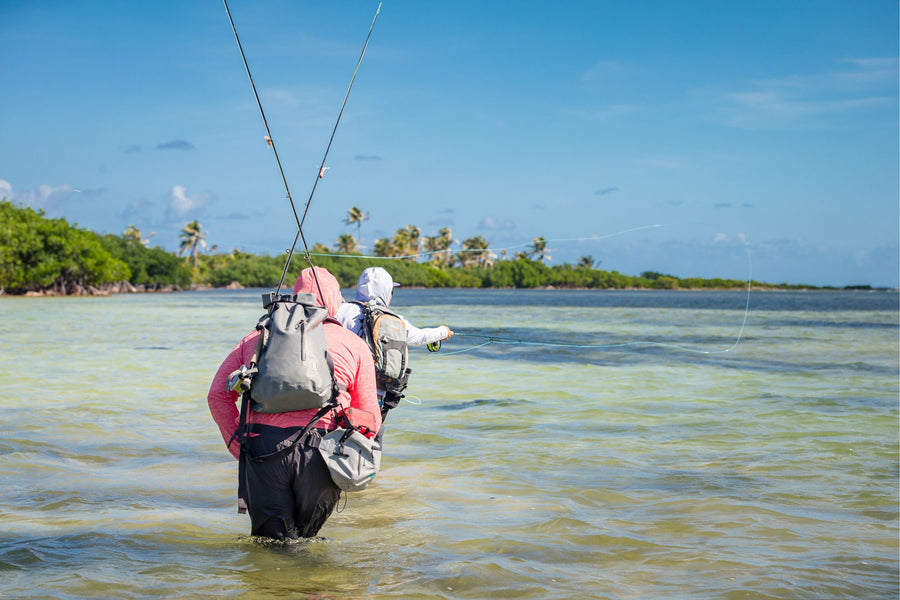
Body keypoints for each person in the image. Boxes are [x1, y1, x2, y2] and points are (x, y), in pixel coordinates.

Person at [208, 266, 380, 540]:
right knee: (305, 544)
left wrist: (237, 445)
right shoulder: (353, 344)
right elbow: (370, 415)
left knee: (271, 545)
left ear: (294, 295)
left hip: (263, 451)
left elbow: (218, 395)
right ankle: (305, 584)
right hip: (323, 455)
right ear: (336, 300)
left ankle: (272, 583)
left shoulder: (256, 337)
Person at [336, 266, 453, 417]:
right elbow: (420, 336)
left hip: (340, 390)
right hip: (373, 397)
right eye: (391, 291)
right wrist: (443, 331)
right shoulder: (395, 320)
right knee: (371, 437)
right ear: (385, 293)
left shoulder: (339, 310)